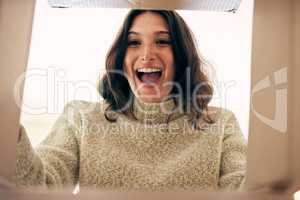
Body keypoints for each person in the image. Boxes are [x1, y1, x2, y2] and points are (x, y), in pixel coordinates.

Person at [16, 9, 247, 191]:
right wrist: (8, 129)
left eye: (163, 41)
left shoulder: (220, 123)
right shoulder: (81, 118)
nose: (147, 54)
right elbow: (39, 188)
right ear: (120, 57)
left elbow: (247, 191)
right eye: (134, 42)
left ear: (182, 56)